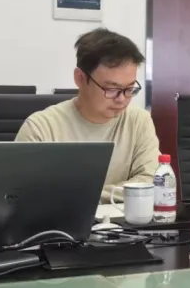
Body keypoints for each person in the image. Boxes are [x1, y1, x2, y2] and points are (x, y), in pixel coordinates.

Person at [15, 28, 159, 202]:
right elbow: (24, 194)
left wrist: (78, 197)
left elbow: (150, 181)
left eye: (129, 89)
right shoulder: (41, 128)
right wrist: (118, 193)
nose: (122, 99)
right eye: (111, 89)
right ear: (80, 79)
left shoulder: (139, 121)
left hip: (123, 220)